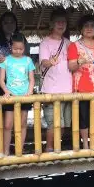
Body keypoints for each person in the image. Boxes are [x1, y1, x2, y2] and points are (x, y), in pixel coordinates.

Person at [68, 15, 94, 149]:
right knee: (83, 117)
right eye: (86, 26)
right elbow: (71, 67)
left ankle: (93, 143)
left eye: (92, 26)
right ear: (81, 29)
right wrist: (80, 61)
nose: (89, 28)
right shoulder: (75, 46)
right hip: (81, 88)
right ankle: (85, 144)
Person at [39, 8, 72, 152]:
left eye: (63, 22)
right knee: (53, 123)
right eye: (58, 21)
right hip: (51, 90)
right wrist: (49, 62)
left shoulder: (69, 43)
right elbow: (43, 62)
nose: (61, 24)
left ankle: (57, 147)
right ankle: (49, 149)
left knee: (64, 124)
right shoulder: (45, 43)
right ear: (51, 24)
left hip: (68, 90)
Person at [0, 34, 36, 156]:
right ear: (11, 47)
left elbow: (32, 79)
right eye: (15, 49)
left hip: (24, 96)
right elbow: (1, 79)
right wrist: (6, 91)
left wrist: (30, 91)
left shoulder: (28, 60)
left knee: (22, 123)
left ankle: (19, 149)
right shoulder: (6, 60)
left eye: (21, 49)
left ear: (24, 48)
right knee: (8, 124)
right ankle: (5, 151)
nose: (18, 51)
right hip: (11, 96)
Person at [0, 12, 27, 95]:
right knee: (4, 107)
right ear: (1, 25)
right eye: (6, 23)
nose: (9, 25)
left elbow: (27, 57)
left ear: (16, 24)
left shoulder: (21, 38)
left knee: (21, 106)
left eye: (12, 22)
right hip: (0, 79)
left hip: (19, 78)